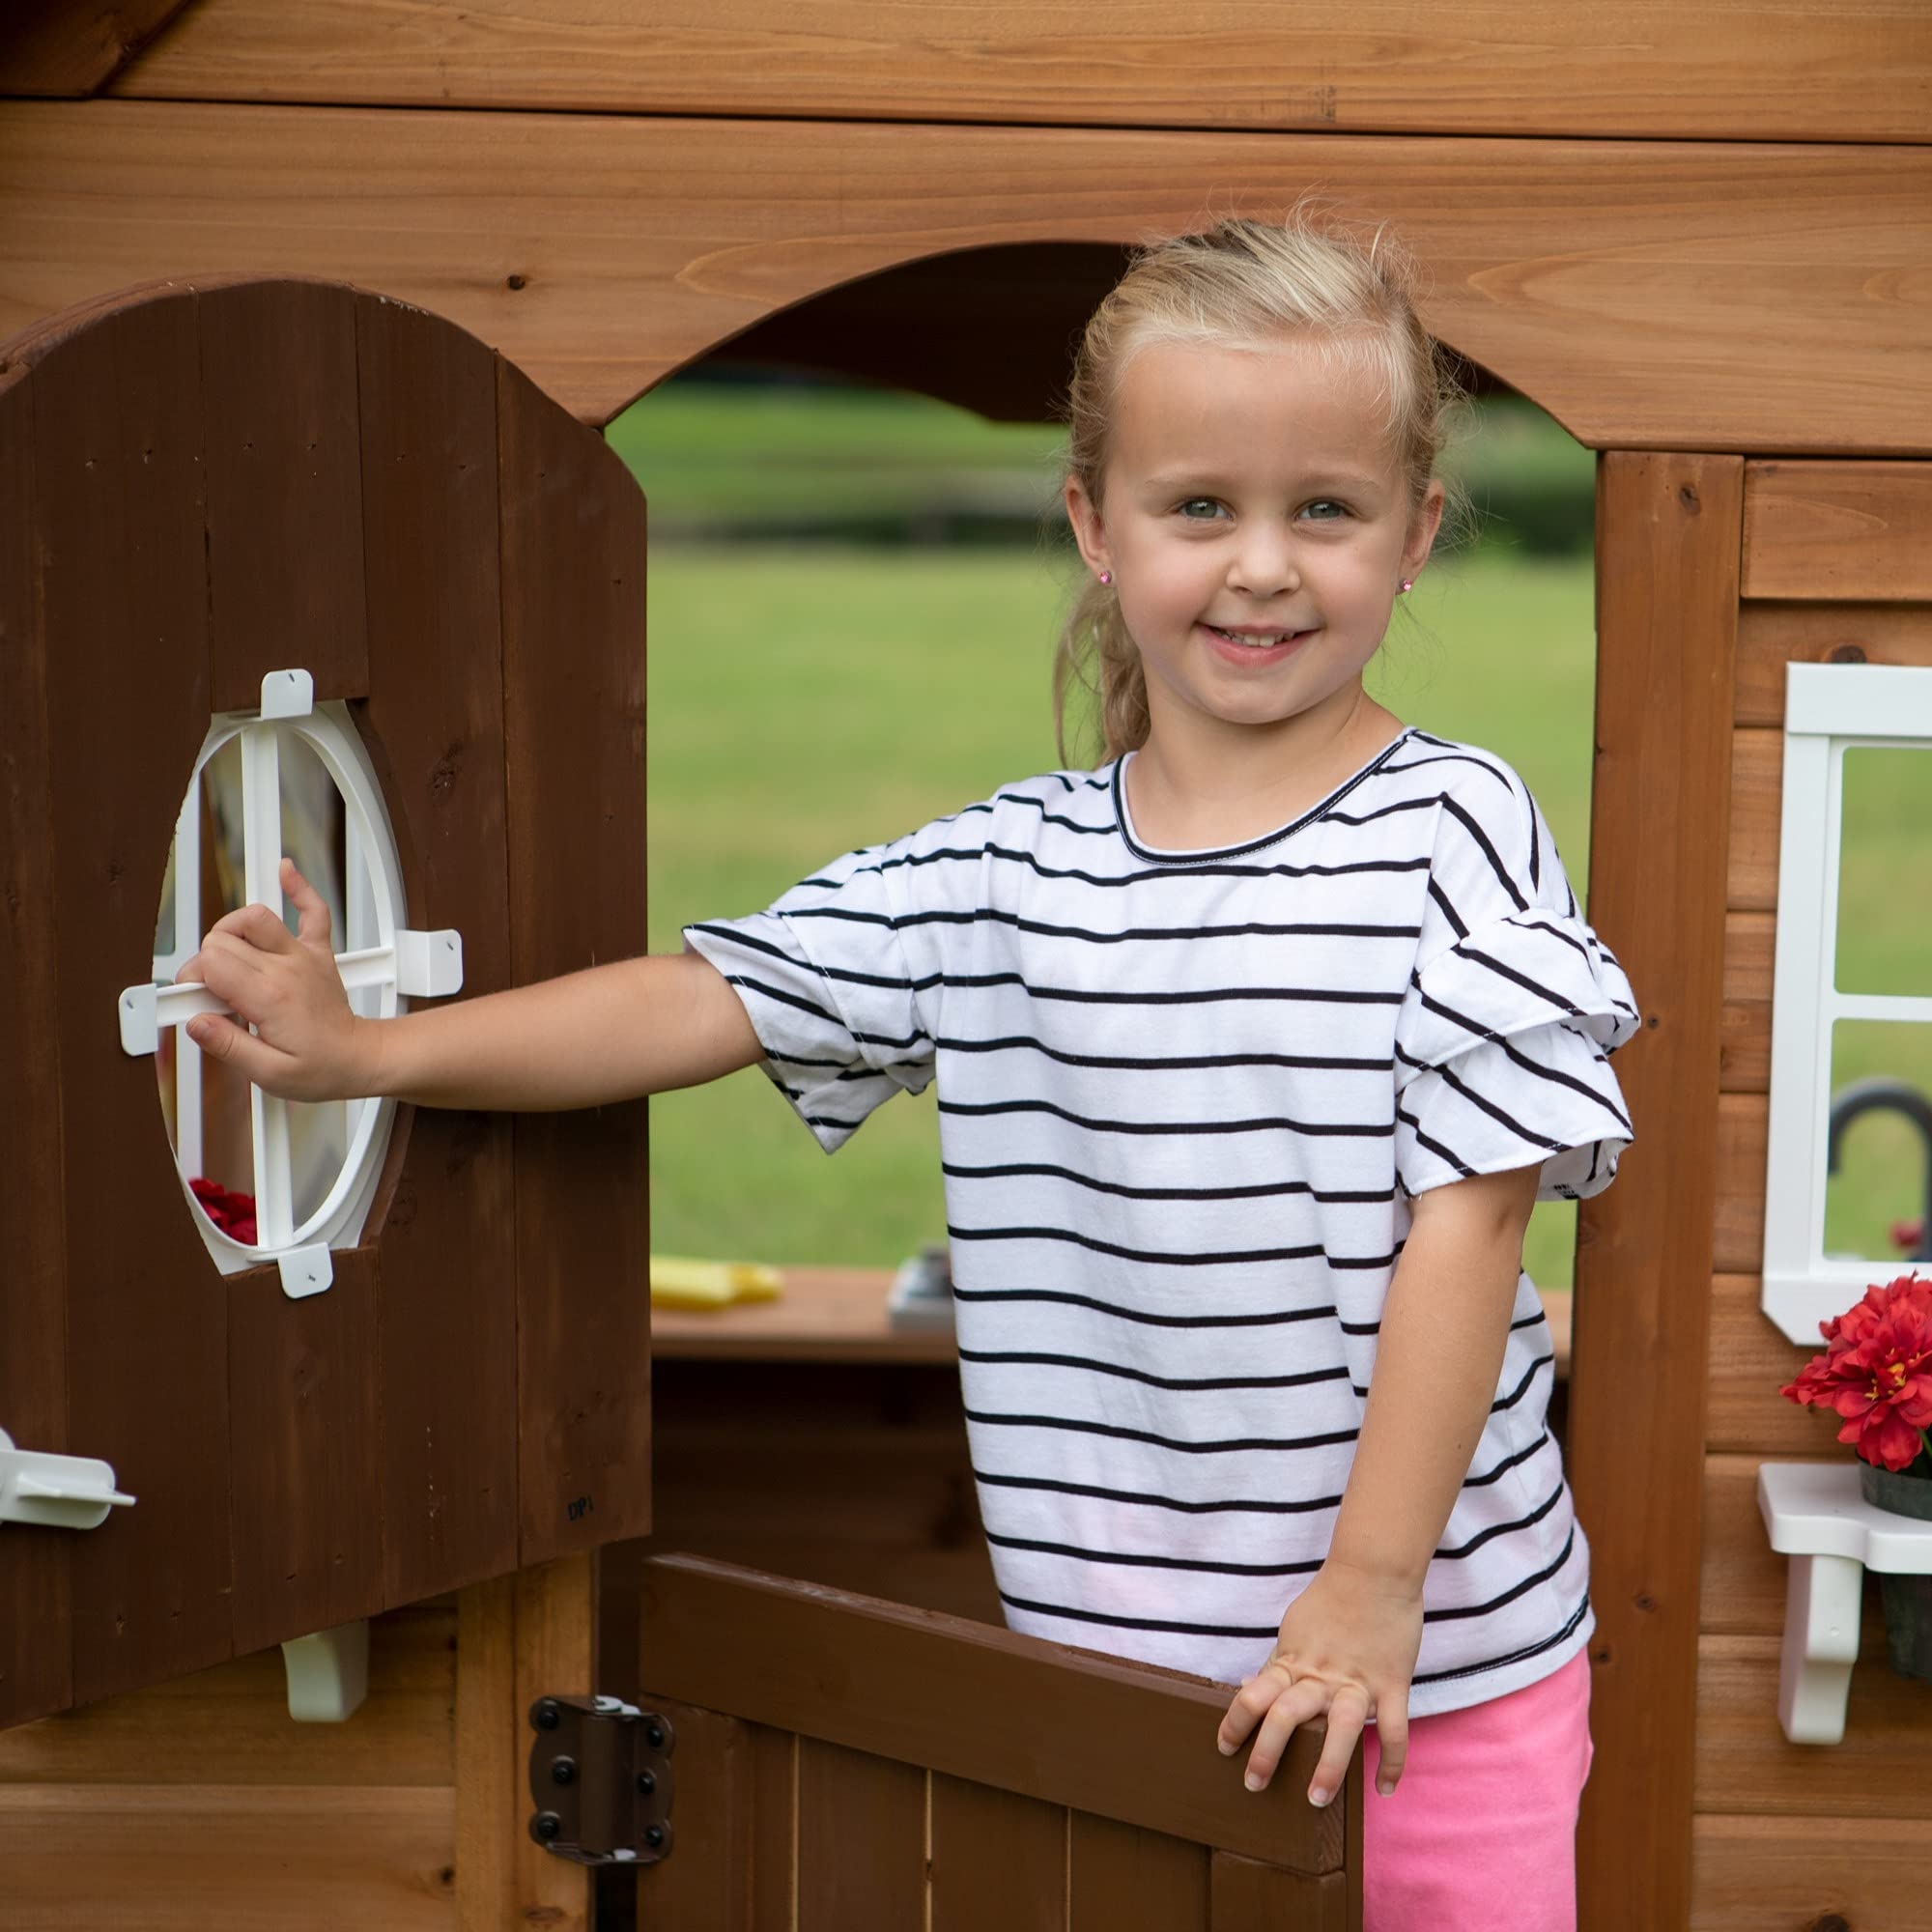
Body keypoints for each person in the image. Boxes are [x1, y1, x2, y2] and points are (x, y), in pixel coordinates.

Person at [176, 202, 1637, 1928]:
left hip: (1430, 1677)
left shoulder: (1452, 831)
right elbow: (702, 999)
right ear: (1096, 525)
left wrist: (1370, 1591)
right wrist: (370, 1049)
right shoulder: (1002, 871)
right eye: (1200, 508)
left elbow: (1473, 1229)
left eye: (1327, 509)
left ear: (1417, 535)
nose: (1263, 564)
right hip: (1107, 1694)